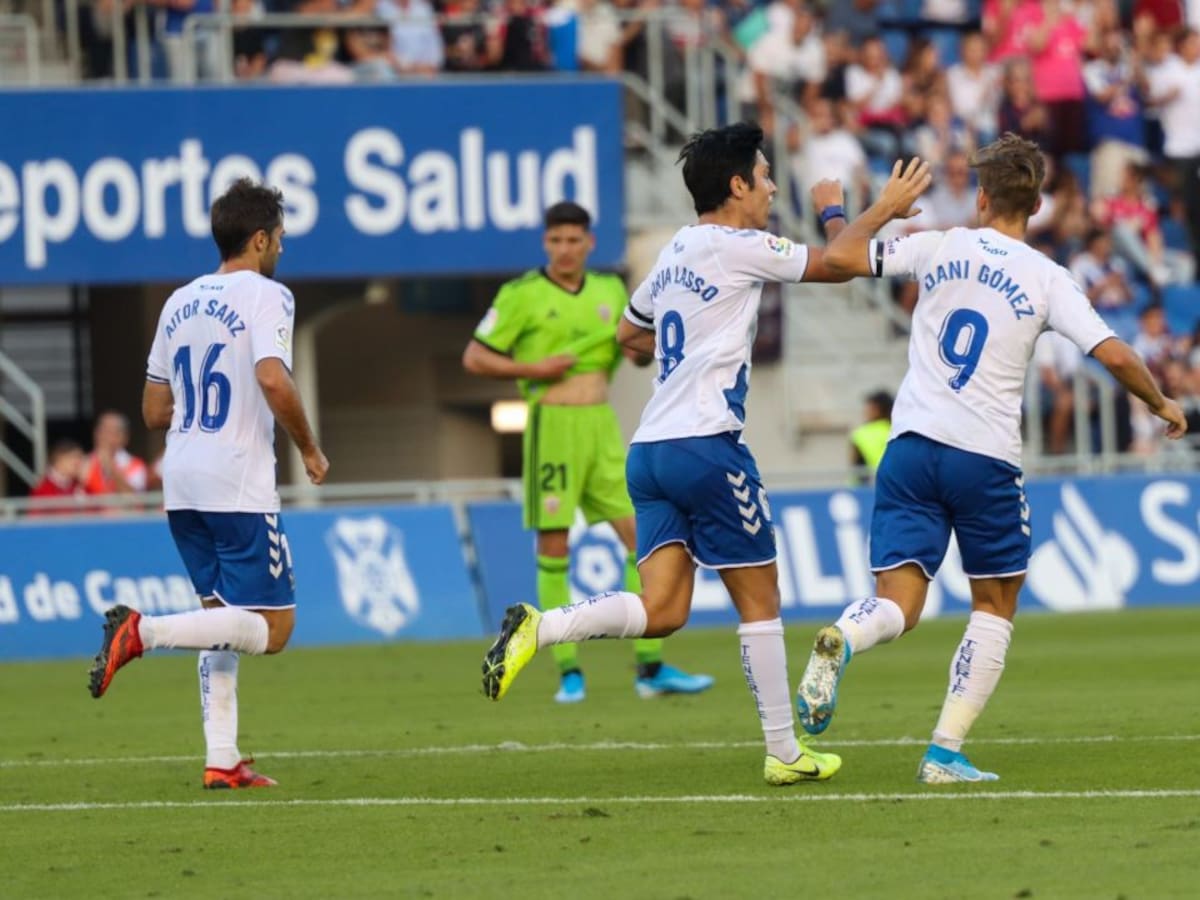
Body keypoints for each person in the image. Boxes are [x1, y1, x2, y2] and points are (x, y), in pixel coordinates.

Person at [479, 122, 931, 786]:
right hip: (707, 445)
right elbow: (839, 264)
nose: (772, 188)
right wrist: (870, 208)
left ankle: (539, 627)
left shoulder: (675, 250)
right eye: (765, 176)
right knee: (760, 600)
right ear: (737, 185)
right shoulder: (738, 246)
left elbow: (629, 334)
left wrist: (685, 349)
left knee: (663, 609)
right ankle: (784, 752)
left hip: (651, 449)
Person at [793, 132, 1187, 784]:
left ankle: (846, 634)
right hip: (984, 458)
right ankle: (944, 753)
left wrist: (849, 210)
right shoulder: (1048, 277)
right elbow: (1114, 353)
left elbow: (839, 257)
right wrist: (1160, 401)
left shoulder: (938, 245)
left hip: (910, 448)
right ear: (1035, 206)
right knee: (995, 603)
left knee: (899, 604)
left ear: (981, 198)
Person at [87, 178, 330, 791]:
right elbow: (272, 378)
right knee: (273, 631)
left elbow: (152, 410)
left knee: (221, 618)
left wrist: (201, 413)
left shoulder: (178, 302)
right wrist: (308, 446)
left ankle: (222, 757)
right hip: (237, 480)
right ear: (259, 239)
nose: (282, 247)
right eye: (279, 237)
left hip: (183, 479)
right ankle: (143, 631)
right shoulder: (268, 295)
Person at [462, 201, 714, 703]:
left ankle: (649, 667)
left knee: (642, 539)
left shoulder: (609, 291)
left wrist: (648, 347)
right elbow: (475, 357)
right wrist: (534, 370)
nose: (565, 249)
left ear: (589, 243)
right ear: (545, 243)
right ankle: (568, 672)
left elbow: (632, 350)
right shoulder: (521, 295)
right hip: (552, 426)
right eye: (556, 240)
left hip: (601, 425)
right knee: (555, 544)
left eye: (574, 240)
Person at [81, 411, 149, 500]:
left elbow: (135, 500)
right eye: (101, 431)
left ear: (124, 437)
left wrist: (111, 468)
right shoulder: (83, 462)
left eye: (110, 432)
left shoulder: (136, 466)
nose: (103, 436)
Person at [28, 439, 85, 515]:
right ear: (59, 459)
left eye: (80, 458)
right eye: (74, 457)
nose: (78, 463)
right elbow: (35, 518)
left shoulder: (80, 485)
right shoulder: (42, 489)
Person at [850, 390, 891, 483]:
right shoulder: (897, 430)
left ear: (876, 409)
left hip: (867, 486)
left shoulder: (861, 434)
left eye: (869, 407)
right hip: (892, 484)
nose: (865, 411)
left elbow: (855, 467)